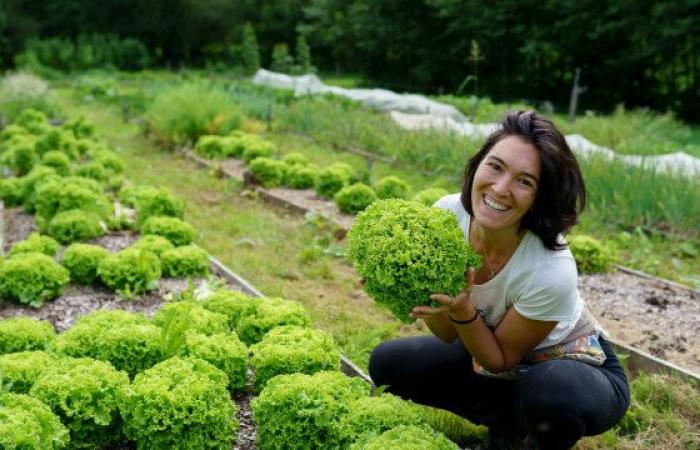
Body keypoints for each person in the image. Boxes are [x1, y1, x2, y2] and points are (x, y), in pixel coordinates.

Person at [368, 111, 630, 450]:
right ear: (478, 165)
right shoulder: (447, 216)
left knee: (551, 392)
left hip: (570, 367)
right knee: (388, 363)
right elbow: (448, 333)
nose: (501, 188)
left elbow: (501, 359)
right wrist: (403, 285)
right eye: (495, 166)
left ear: (540, 197)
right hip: (492, 357)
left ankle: (536, 436)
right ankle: (507, 424)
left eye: (525, 181)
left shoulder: (551, 269)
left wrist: (464, 310)